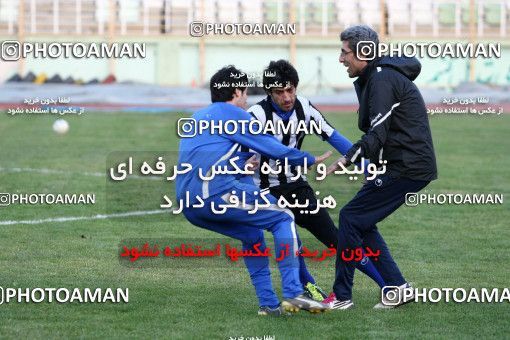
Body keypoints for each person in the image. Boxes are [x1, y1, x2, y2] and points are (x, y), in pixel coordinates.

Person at [176, 65, 330, 316]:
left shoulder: (197, 117)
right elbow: (273, 148)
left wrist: (237, 164)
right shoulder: (235, 115)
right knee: (284, 217)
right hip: (214, 193)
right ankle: (293, 292)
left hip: (188, 203)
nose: (247, 99)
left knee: (252, 235)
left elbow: (199, 161)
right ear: (237, 91)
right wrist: (308, 159)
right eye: (246, 93)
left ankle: (268, 305)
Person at [245, 60, 386, 302]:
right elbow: (234, 151)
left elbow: (334, 137)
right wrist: (243, 163)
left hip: (295, 185)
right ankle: (308, 285)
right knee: (290, 238)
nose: (287, 97)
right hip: (264, 188)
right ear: (269, 92)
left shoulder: (304, 108)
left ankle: (387, 285)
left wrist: (365, 165)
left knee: (335, 238)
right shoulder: (255, 115)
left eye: (290, 90)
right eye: (279, 92)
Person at [325, 25, 437, 310]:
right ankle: (397, 287)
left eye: (344, 52)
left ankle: (341, 296)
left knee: (351, 217)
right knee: (361, 221)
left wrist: (347, 158)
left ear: (363, 52)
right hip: (402, 164)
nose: (340, 58)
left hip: (408, 167)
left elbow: (377, 134)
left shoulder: (383, 78)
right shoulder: (377, 77)